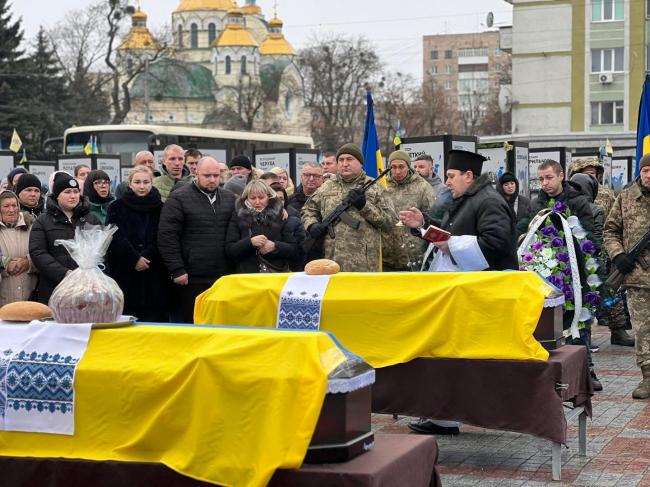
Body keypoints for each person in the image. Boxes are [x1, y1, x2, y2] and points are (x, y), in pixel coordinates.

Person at [399, 149, 517, 436]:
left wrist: (451, 244)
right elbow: (448, 236)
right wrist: (423, 226)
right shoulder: (465, 199)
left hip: (481, 295)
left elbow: (496, 245)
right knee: (449, 355)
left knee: (466, 360)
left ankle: (464, 414)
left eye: (451, 176)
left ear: (468, 176)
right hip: (462, 294)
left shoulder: (489, 202)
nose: (447, 182)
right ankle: (444, 416)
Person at [534, 160, 601, 390]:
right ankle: (554, 372)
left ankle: (587, 371)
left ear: (561, 175)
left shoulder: (578, 201)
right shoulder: (538, 203)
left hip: (577, 272)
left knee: (579, 321)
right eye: (541, 179)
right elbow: (528, 230)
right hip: (549, 274)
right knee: (553, 323)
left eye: (549, 177)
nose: (544, 183)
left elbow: (591, 236)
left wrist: (572, 247)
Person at [158, 157, 237, 323]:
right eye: (207, 175)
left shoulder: (230, 199)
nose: (212, 180)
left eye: (216, 175)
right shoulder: (179, 199)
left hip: (224, 275)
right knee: (194, 323)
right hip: (192, 277)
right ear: (196, 173)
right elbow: (167, 236)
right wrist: (177, 269)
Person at [302, 143, 396, 271]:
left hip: (365, 265)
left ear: (360, 163)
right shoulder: (326, 186)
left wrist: (364, 206)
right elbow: (308, 209)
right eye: (341, 160)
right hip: (332, 262)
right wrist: (312, 225)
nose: (344, 164)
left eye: (349, 159)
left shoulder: (375, 188)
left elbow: (390, 222)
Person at [570, 157, 632, 347]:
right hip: (580, 250)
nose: (591, 176)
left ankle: (618, 330)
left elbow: (616, 219)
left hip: (606, 247)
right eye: (587, 172)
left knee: (612, 291)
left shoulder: (606, 193)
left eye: (594, 173)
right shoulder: (569, 194)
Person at [603, 155, 650, 399]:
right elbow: (610, 230)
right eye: (646, 170)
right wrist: (618, 255)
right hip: (637, 276)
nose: (649, 175)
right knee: (642, 329)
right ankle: (647, 378)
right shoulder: (627, 197)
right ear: (640, 172)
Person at [106, 166, 168, 322]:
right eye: (137, 182)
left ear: (152, 183)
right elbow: (114, 235)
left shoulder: (161, 208)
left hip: (154, 272)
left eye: (146, 182)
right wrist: (134, 258)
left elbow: (163, 236)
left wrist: (147, 256)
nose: (142, 186)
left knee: (154, 321)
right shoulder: (116, 207)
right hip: (125, 271)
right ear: (130, 184)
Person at [29, 172, 101, 304]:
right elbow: (38, 253)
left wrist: (89, 271)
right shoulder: (43, 221)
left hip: (87, 287)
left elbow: (102, 250)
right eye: (67, 192)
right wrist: (64, 273)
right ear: (57, 195)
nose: (73, 196)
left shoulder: (91, 219)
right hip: (55, 288)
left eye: (75, 191)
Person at [226, 180, 297, 274]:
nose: (257, 202)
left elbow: (293, 249)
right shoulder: (238, 216)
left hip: (275, 275)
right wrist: (250, 242)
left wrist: (275, 246)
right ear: (246, 198)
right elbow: (230, 250)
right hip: (248, 276)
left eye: (261, 197)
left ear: (268, 197)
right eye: (253, 198)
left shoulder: (281, 215)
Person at [382, 150, 436, 271]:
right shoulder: (382, 186)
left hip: (413, 256)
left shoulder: (422, 186)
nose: (397, 171)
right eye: (393, 167)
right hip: (386, 257)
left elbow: (432, 218)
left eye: (401, 167)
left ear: (408, 166)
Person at [0, 191, 37, 305]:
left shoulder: (32, 226)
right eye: (6, 206)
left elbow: (42, 253)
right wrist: (5, 263)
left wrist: (28, 262)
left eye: (14, 205)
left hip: (31, 297)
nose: (11, 210)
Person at [271, 182, 306, 271]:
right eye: (274, 199)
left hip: (290, 271)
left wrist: (276, 246)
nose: (278, 202)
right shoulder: (257, 219)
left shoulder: (294, 221)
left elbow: (301, 250)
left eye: (281, 199)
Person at [497, 172, 533, 237]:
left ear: (516, 184)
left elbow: (530, 220)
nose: (510, 186)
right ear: (501, 187)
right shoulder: (497, 202)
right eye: (506, 184)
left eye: (512, 183)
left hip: (522, 239)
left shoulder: (525, 201)